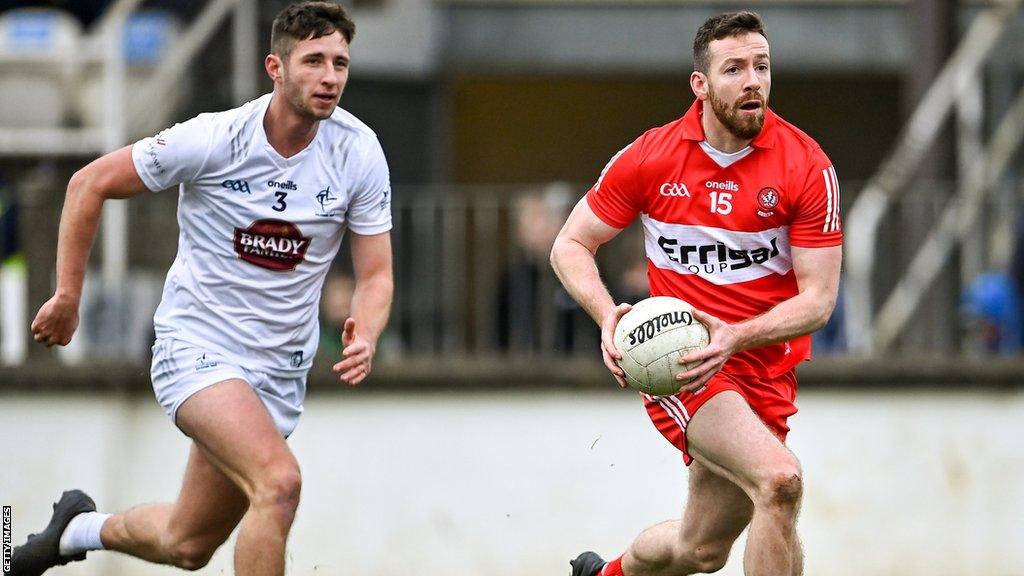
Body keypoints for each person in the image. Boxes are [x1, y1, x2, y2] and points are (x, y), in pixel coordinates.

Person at [12, 2, 393, 576]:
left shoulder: (359, 152)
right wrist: (67, 296)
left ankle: (73, 530)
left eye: (340, 62)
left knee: (186, 544)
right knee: (279, 483)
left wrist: (366, 330)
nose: (330, 76)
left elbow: (377, 274)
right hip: (198, 351)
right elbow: (87, 184)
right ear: (276, 67)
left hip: (277, 376)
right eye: (313, 60)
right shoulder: (214, 138)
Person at [550, 12, 842, 576]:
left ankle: (605, 574)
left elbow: (819, 301)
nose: (753, 80)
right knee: (779, 482)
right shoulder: (651, 157)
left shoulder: (807, 165)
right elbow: (570, 244)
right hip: (683, 364)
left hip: (763, 369)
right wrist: (609, 316)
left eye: (761, 65)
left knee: (700, 550)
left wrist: (739, 336)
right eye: (734, 68)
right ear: (700, 84)